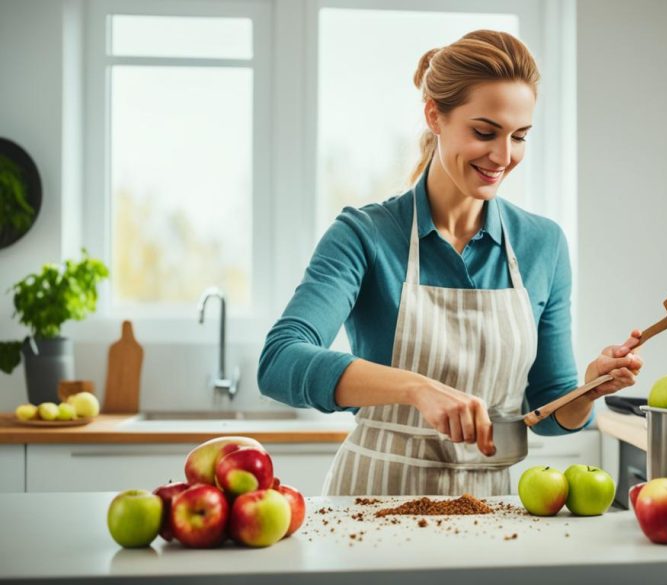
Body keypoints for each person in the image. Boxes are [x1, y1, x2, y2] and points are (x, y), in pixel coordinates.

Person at [258, 30, 643, 497]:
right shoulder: (366, 235)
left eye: (519, 136)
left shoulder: (543, 245)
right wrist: (416, 388)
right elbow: (279, 361)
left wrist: (589, 389)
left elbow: (548, 413)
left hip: (491, 510)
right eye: (484, 132)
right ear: (434, 116)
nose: (503, 157)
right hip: (372, 501)